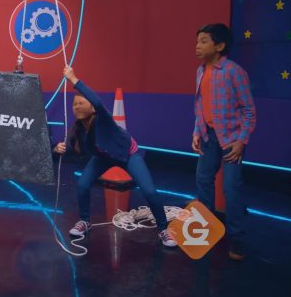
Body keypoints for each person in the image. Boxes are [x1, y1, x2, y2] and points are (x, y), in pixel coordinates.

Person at [54, 66, 176, 247]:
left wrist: (73, 79)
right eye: (74, 104)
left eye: (81, 102)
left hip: (127, 154)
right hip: (104, 157)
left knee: (149, 191)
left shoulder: (103, 118)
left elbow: (96, 101)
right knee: (82, 185)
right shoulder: (79, 130)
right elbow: (76, 151)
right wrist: (58, 149)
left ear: (93, 109)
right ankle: (85, 221)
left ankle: (163, 229)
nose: (77, 105)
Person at [192, 23, 256, 260]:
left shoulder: (233, 71)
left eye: (204, 41)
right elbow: (200, 106)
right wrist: (197, 131)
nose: (197, 46)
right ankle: (206, 229)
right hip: (208, 137)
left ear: (220, 45)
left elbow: (249, 110)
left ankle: (236, 238)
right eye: (197, 41)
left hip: (231, 140)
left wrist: (241, 142)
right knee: (203, 180)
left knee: (231, 187)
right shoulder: (200, 71)